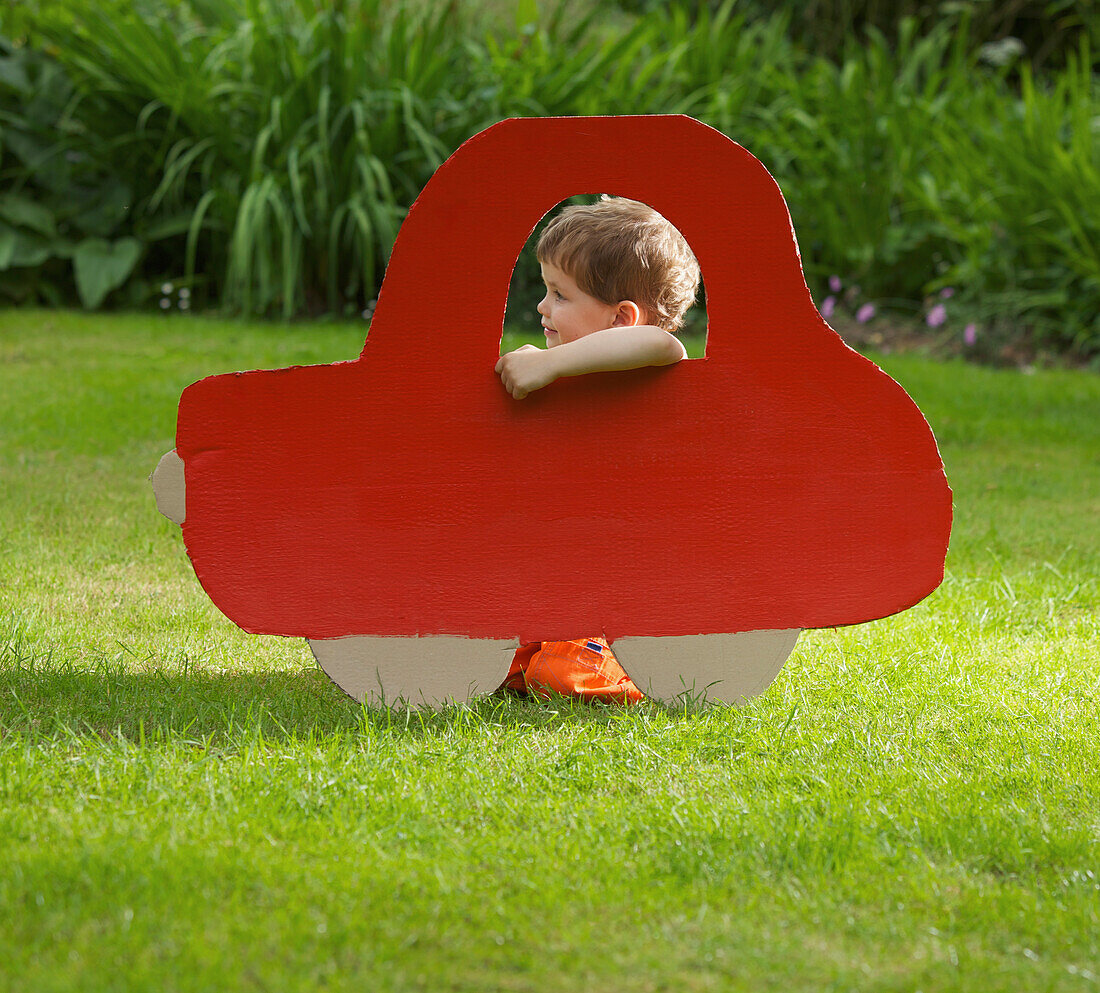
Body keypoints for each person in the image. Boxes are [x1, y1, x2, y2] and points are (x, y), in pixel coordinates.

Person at [494, 196, 701, 703]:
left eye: (560, 295)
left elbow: (660, 344)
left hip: (622, 592)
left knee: (560, 678)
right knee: (497, 659)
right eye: (545, 291)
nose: (542, 307)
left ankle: (640, 675)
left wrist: (548, 367)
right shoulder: (571, 372)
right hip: (557, 576)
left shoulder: (651, 365)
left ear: (620, 319)